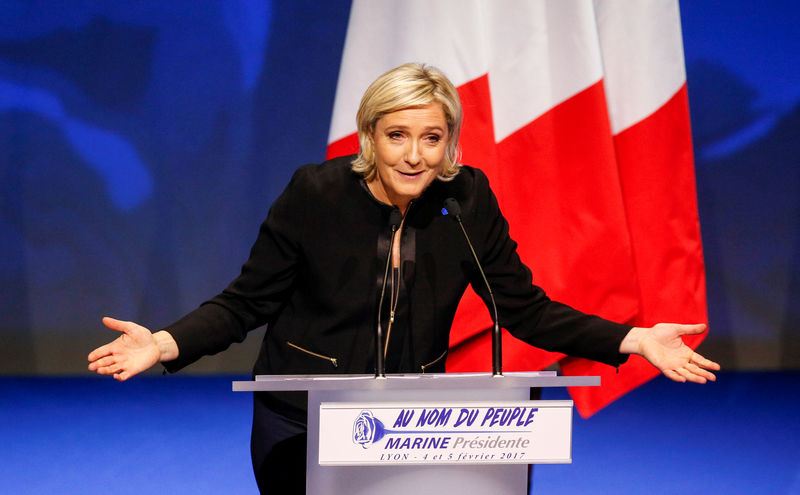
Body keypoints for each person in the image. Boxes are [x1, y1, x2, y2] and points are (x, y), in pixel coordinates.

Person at [88, 63, 720, 494]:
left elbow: (523, 309)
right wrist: (165, 343)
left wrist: (632, 340)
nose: (415, 155)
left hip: (411, 419)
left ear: (450, 144)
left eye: (432, 137)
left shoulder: (465, 199)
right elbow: (246, 301)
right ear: (370, 136)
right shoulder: (317, 193)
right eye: (397, 136)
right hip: (303, 415)